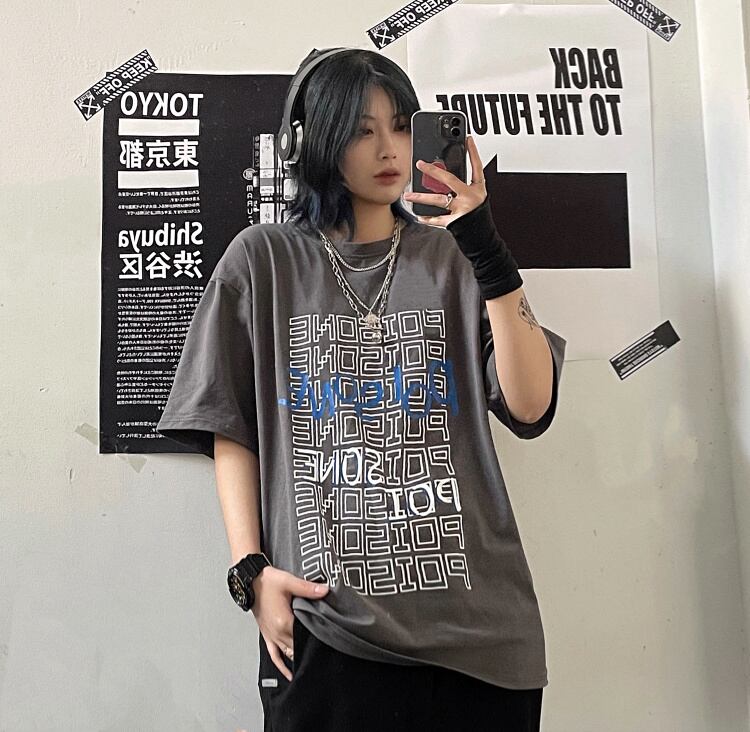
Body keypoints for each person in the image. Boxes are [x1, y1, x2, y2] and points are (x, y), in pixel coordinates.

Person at [156, 47, 566, 732]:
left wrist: (487, 248)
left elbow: (531, 404)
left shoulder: (456, 258)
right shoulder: (263, 260)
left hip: (481, 644)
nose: (388, 149)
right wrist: (250, 572)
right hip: (329, 631)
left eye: (401, 126)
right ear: (308, 143)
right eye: (360, 130)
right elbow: (230, 425)